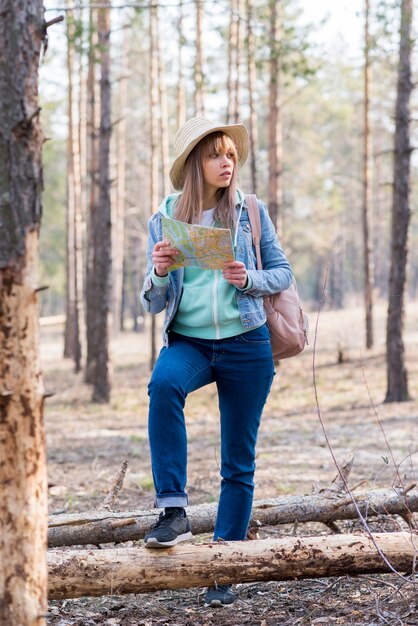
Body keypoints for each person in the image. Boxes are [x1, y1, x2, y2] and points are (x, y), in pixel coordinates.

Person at [140, 116, 293, 607]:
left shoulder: (250, 210)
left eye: (230, 154)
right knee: (163, 385)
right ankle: (173, 510)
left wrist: (249, 279)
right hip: (192, 342)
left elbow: (283, 272)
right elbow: (151, 301)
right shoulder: (165, 215)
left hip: (247, 343)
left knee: (238, 462)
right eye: (215, 155)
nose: (226, 163)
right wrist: (158, 271)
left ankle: (224, 570)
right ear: (194, 164)